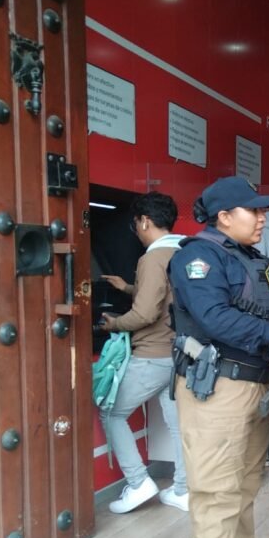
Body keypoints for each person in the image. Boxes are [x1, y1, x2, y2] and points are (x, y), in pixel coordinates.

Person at [167, 175, 269, 538]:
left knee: (243, 486)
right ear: (223, 216)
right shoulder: (196, 258)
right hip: (216, 390)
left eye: (263, 211)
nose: (263, 218)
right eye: (254, 211)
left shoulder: (251, 258)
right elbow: (214, 317)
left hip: (253, 387)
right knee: (216, 495)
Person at [98, 192, 188, 514]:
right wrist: (127, 288)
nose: (135, 231)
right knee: (178, 424)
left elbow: (146, 313)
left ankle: (138, 483)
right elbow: (165, 295)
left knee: (111, 412)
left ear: (145, 221)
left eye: (135, 224)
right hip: (179, 353)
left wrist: (114, 324)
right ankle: (183, 490)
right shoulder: (183, 251)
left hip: (153, 354)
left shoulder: (152, 258)